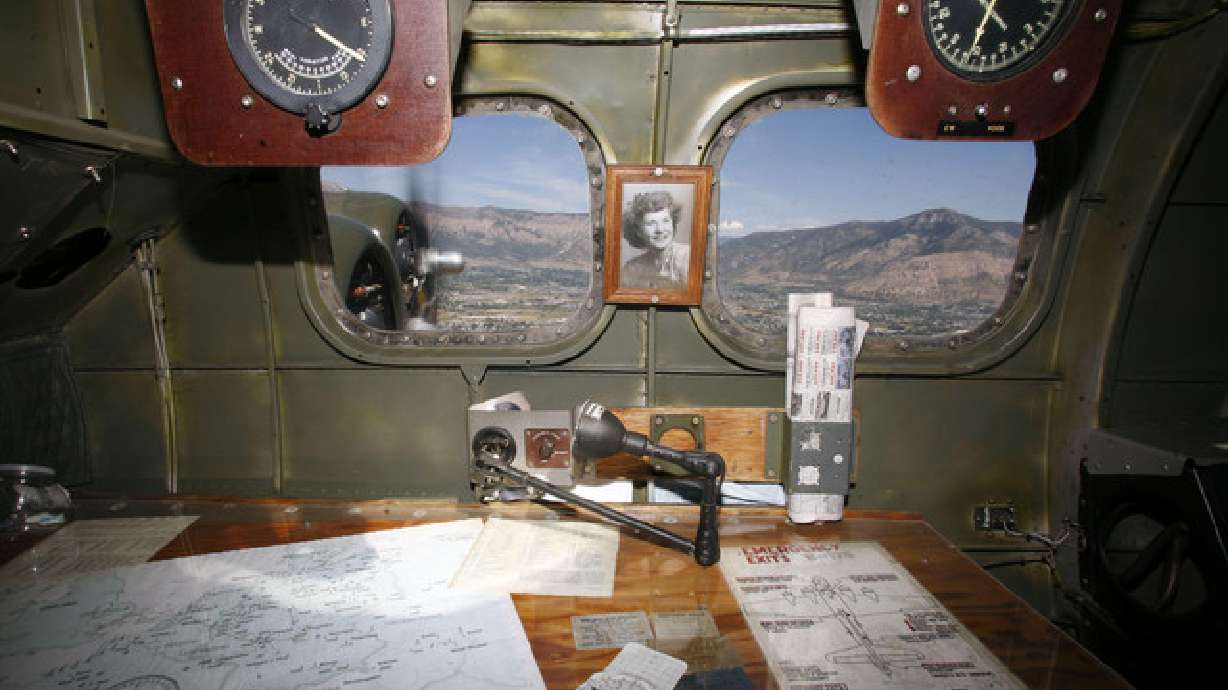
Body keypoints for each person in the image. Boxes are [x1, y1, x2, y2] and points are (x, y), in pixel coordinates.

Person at [620, 190, 689, 289]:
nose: (660, 229)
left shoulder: (688, 258)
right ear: (638, 231)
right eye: (651, 223)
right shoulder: (631, 269)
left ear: (673, 224)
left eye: (665, 221)